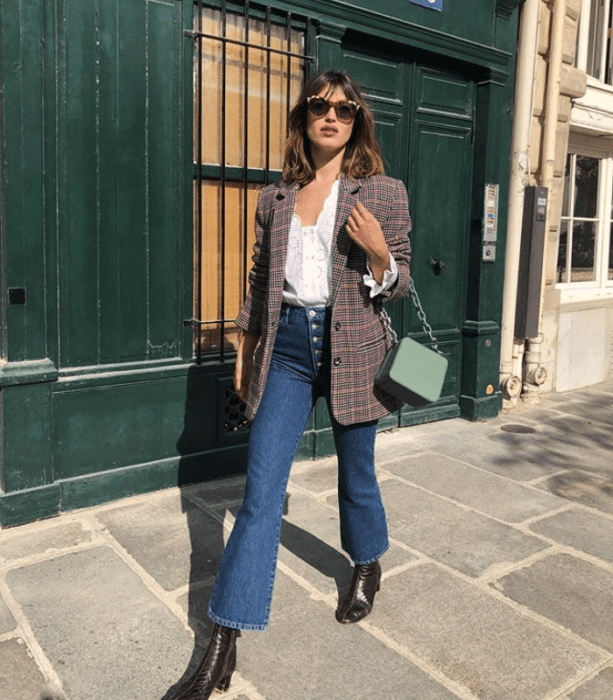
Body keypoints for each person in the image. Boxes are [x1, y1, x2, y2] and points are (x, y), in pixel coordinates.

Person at [169, 70, 411, 700]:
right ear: (303, 118)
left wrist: (381, 252)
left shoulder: (381, 192)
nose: (331, 116)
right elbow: (259, 282)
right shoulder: (275, 199)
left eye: (345, 109)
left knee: (355, 475)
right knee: (260, 493)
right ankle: (223, 640)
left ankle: (366, 562)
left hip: (353, 346)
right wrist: (246, 351)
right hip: (289, 351)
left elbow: (401, 281)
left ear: (358, 122)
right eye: (319, 107)